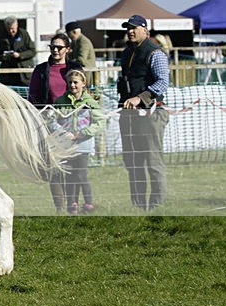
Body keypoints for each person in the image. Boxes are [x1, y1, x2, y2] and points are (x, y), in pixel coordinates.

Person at [117, 14, 170, 211]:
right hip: (129, 114)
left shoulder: (155, 53)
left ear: (145, 30)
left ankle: (157, 208)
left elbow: (163, 82)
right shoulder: (126, 53)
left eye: (134, 27)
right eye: (128, 28)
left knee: (153, 161)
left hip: (152, 113)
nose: (130, 31)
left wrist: (140, 98)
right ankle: (138, 207)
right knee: (133, 162)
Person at [28, 34, 82, 213]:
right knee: (55, 167)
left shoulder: (74, 68)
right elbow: (33, 96)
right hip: (49, 122)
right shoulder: (42, 70)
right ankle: (60, 207)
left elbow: (83, 91)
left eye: (59, 47)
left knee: (74, 167)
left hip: (72, 121)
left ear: (67, 49)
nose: (56, 50)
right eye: (53, 47)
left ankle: (73, 205)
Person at [51, 70, 106, 215]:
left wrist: (81, 134)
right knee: (69, 175)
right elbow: (52, 120)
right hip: (66, 146)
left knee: (81, 175)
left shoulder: (90, 103)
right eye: (70, 82)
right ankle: (72, 204)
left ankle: (88, 203)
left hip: (83, 146)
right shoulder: (61, 101)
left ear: (83, 83)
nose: (73, 85)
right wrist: (64, 133)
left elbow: (100, 122)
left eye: (76, 82)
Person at [0, 16, 36, 86]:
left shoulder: (24, 34)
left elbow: (32, 51)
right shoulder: (1, 36)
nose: (11, 31)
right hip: (8, 75)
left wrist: (20, 55)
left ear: (17, 25)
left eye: (12, 29)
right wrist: (4, 56)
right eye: (8, 29)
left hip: (24, 74)